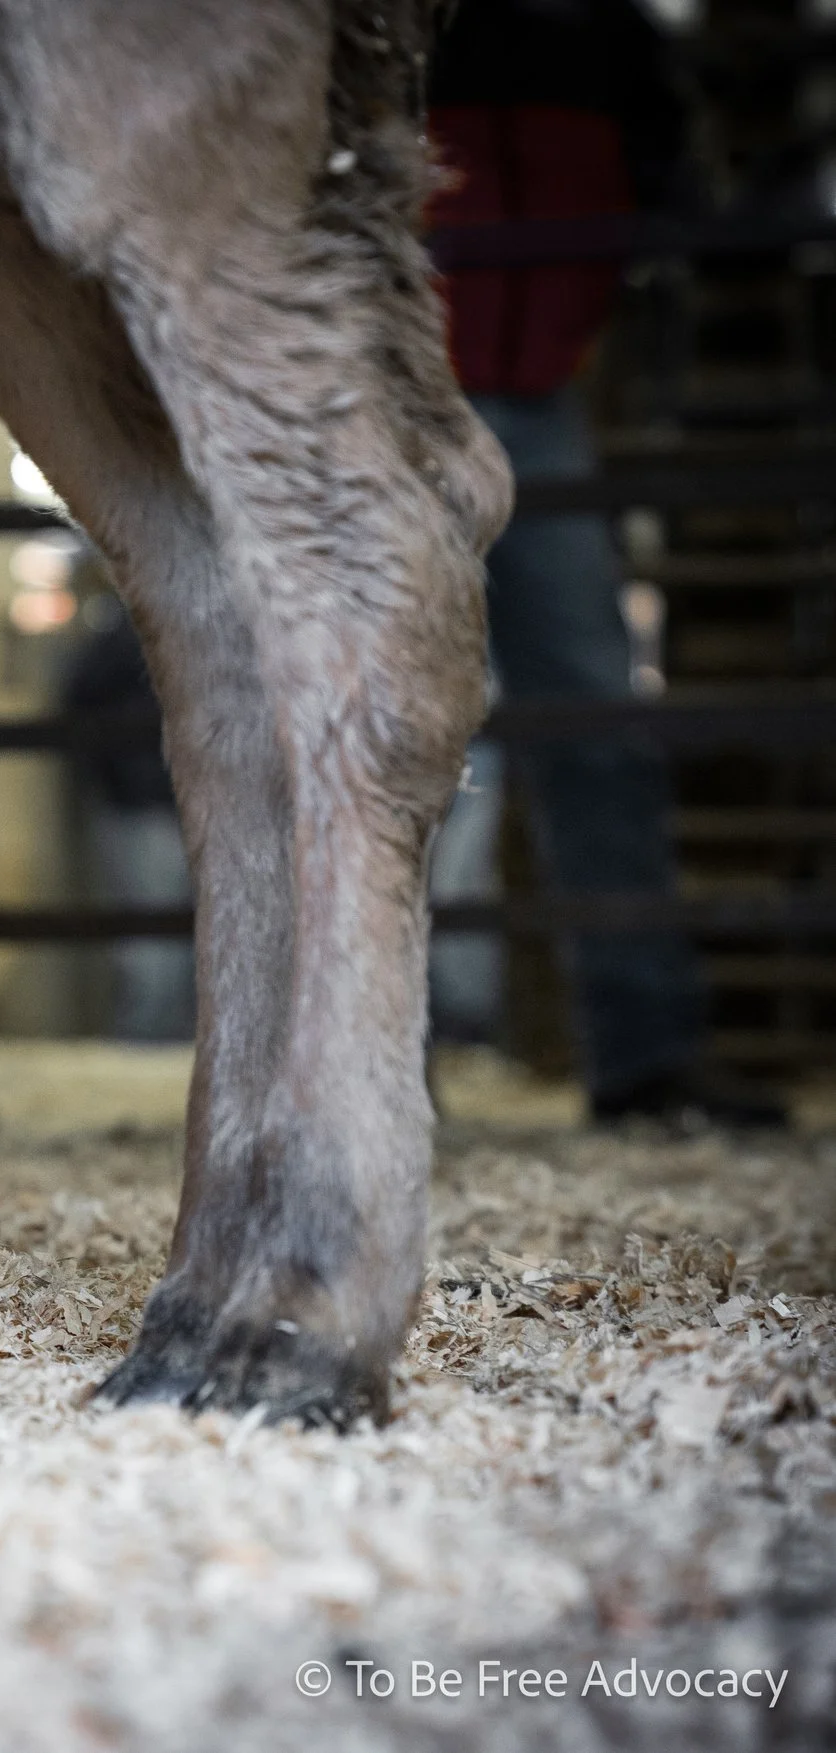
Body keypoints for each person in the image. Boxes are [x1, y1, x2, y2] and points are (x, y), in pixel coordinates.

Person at [429, 0, 786, 1127]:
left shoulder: (608, 33)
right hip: (388, 392)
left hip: (536, 399)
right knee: (379, 731)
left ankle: (644, 1057)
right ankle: (364, 1072)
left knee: (595, 726)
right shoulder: (395, 22)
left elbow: (675, 188)